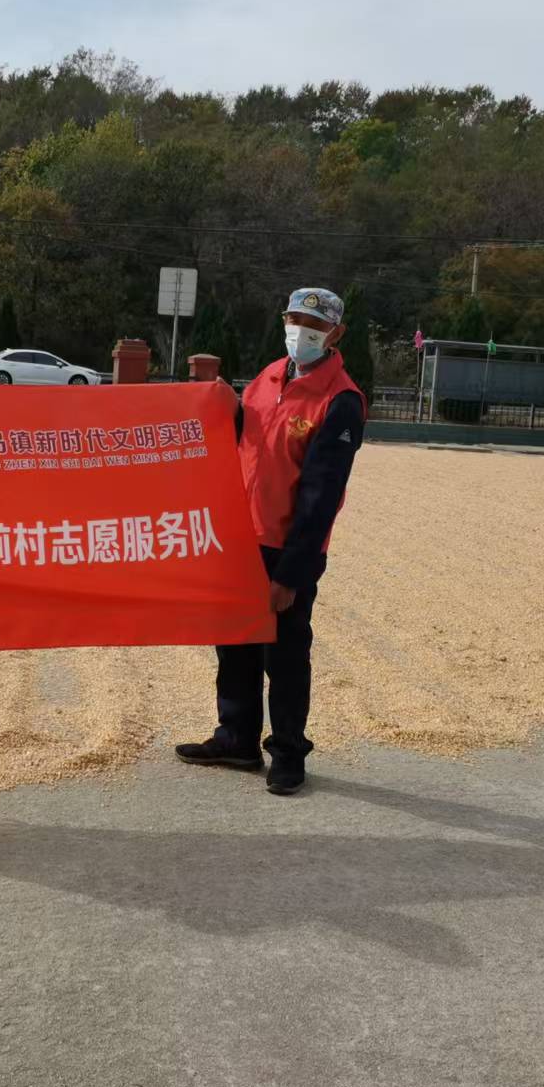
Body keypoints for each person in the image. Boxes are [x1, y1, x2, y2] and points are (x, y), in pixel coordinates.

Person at [176, 287, 365, 795]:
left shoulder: (340, 400)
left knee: (284, 654)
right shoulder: (268, 378)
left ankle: (287, 752)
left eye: (314, 325)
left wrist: (291, 574)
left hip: (286, 549)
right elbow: (240, 435)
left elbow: (321, 498)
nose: (301, 331)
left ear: (336, 334)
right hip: (241, 538)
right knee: (235, 643)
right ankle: (237, 738)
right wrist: (217, 403)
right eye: (294, 319)